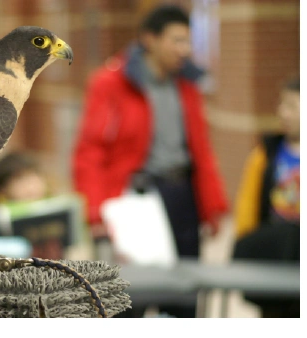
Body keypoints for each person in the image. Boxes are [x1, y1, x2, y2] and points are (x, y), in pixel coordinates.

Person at [72, 5, 228, 317]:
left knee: (184, 296)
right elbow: (89, 152)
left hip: (182, 197)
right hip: (136, 201)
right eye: (177, 40)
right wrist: (96, 210)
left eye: (188, 42)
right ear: (149, 39)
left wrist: (213, 205)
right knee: (132, 297)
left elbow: (200, 149)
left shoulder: (187, 84)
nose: (184, 50)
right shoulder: (110, 83)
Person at [232, 76, 300, 318]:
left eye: (292, 106)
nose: (283, 112)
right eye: (282, 104)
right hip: (273, 252)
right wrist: (246, 239)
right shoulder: (266, 153)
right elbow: (247, 201)